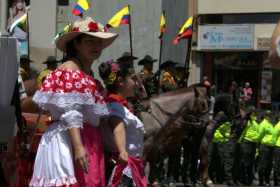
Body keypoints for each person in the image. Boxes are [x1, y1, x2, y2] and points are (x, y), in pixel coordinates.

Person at [29, 17, 118, 187]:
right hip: (69, 139)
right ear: (76, 44)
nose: (96, 46)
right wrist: (78, 147)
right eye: (89, 41)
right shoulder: (71, 69)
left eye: (99, 42)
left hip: (86, 139)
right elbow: (71, 112)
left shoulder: (86, 74)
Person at [98, 61, 147, 186]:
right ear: (120, 81)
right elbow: (117, 127)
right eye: (132, 79)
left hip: (130, 163)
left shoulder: (116, 104)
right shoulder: (115, 106)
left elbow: (143, 95)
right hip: (124, 165)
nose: (135, 83)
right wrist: (122, 151)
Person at [238, 108, 259, 185]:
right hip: (247, 143)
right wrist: (239, 142)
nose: (254, 115)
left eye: (254, 113)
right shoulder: (247, 122)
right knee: (245, 162)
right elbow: (243, 132)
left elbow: (258, 134)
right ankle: (243, 179)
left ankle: (249, 180)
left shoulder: (256, 123)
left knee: (251, 163)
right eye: (252, 114)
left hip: (253, 144)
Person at [257, 111, 275, 186]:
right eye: (269, 115)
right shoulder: (263, 124)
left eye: (271, 115)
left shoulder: (270, 124)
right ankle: (261, 181)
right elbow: (259, 135)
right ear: (265, 116)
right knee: (262, 164)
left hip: (271, 147)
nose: (270, 116)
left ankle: (267, 180)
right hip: (264, 146)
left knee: (269, 165)